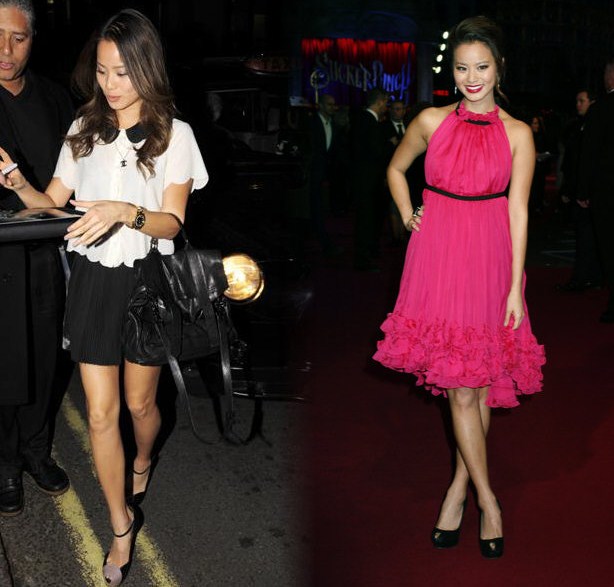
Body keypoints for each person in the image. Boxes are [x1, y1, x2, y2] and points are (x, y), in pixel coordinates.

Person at [0, 8, 208, 585]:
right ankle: (120, 524)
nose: (110, 85)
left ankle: (143, 457)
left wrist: (125, 211)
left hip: (148, 282)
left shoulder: (176, 135)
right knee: (99, 413)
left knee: (141, 407)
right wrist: (18, 182)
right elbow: (51, 202)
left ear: (146, 68)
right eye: (101, 71)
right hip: (94, 281)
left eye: (122, 72)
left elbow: (172, 223)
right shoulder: (82, 130)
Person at [373, 16, 545, 558]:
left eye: (482, 67)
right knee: (461, 387)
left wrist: (515, 286)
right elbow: (395, 170)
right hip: (438, 255)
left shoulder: (518, 133)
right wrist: (409, 215)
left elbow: (519, 211)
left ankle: (458, 489)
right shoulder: (430, 120)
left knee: (481, 381)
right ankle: (488, 502)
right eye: (463, 68)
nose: (472, 78)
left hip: (490, 256)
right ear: (452, 70)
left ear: (499, 69)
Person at [0, 0, 72, 516]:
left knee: (45, 358)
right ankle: (4, 463)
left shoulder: (54, 99)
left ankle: (35, 450)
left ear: (33, 41)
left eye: (18, 38)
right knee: (4, 363)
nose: (5, 49)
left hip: (45, 252)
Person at [577, 58, 614, 323]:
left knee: (609, 246)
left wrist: (583, 190)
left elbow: (588, 153)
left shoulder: (602, 108)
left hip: (607, 191)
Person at [557, 89, 601, 292]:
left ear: (592, 102)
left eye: (582, 101)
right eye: (577, 101)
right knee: (586, 235)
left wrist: (580, 190)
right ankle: (589, 276)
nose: (578, 105)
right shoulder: (579, 125)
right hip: (580, 188)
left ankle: (584, 277)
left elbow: (584, 162)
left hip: (588, 190)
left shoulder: (593, 126)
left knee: (586, 236)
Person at [351, 87, 389, 271]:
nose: (386, 107)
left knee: (366, 219)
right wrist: (389, 146)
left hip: (364, 180)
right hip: (367, 181)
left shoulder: (362, 119)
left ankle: (366, 254)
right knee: (365, 220)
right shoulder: (368, 121)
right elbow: (375, 152)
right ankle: (362, 259)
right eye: (386, 103)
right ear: (380, 102)